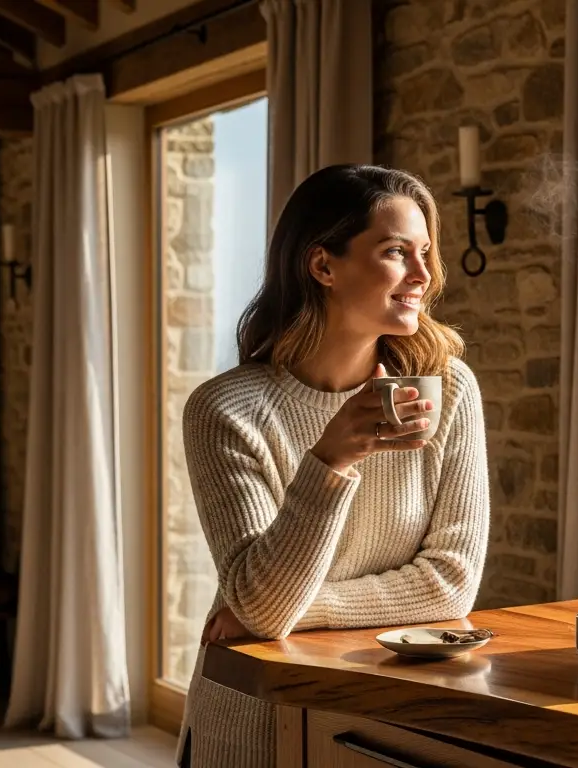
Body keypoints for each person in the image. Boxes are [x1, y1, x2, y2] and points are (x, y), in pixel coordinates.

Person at [174, 164, 492, 768]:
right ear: (323, 265)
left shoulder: (448, 390)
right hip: (253, 727)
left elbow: (451, 584)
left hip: (386, 726)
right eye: (397, 252)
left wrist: (302, 608)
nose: (424, 276)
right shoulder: (224, 410)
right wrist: (331, 458)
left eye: (426, 252)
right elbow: (263, 607)